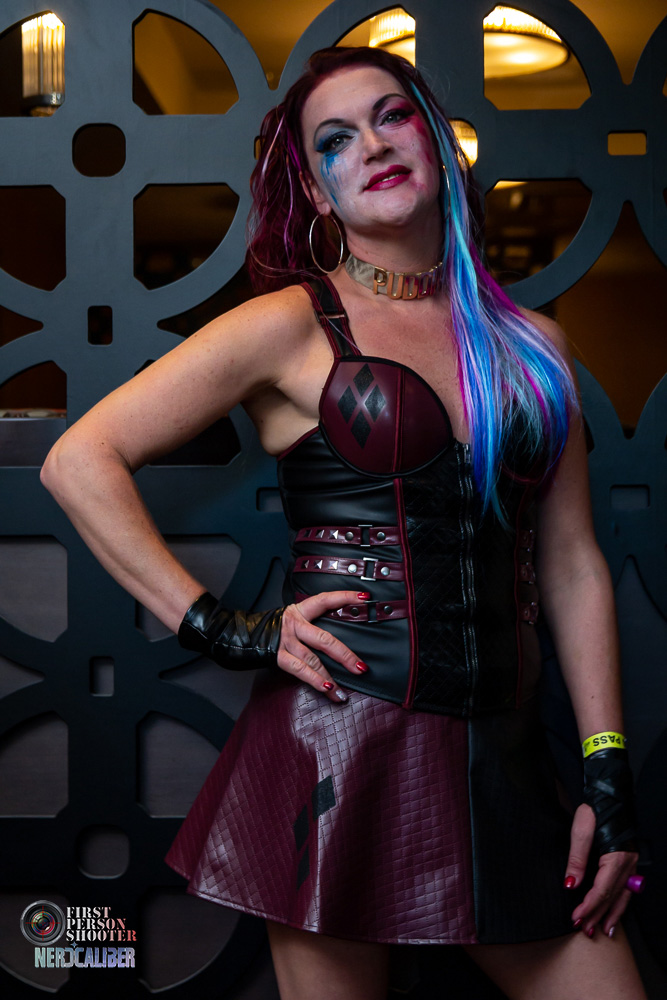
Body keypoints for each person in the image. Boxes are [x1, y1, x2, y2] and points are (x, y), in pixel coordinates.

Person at [41, 46, 646, 1000]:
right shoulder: (289, 325)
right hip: (336, 750)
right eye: (335, 140)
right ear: (320, 195)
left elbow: (571, 564)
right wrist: (224, 629)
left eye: (391, 116)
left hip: (507, 760)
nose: (370, 144)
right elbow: (78, 460)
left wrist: (605, 774)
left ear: (438, 145)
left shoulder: (537, 348)